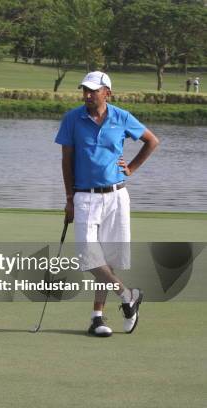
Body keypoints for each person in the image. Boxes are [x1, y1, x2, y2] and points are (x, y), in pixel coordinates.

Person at [55, 71, 159, 337]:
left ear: (107, 93)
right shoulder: (72, 119)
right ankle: (127, 295)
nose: (87, 95)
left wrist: (132, 168)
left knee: (108, 259)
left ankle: (97, 318)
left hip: (116, 195)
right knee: (89, 257)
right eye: (85, 90)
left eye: (93, 90)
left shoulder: (121, 117)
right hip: (84, 196)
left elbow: (151, 141)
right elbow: (66, 161)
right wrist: (69, 199)